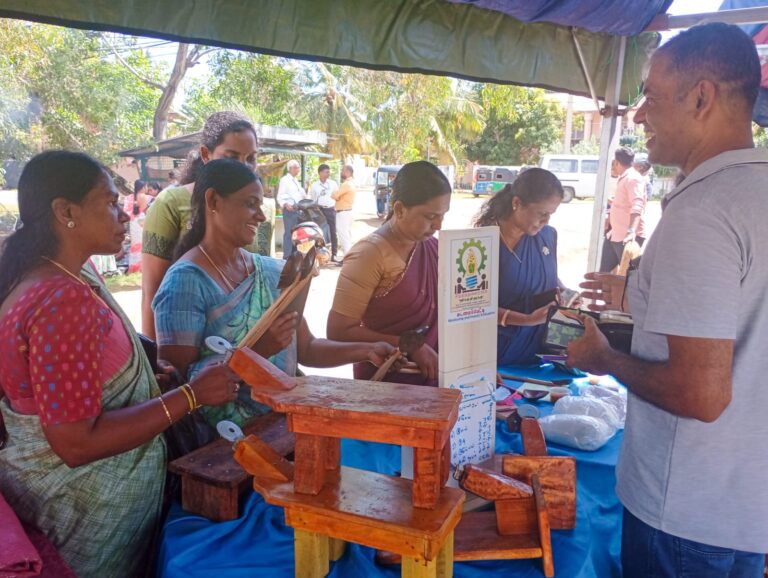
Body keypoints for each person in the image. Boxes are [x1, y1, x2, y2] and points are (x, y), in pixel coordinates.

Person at [569, 23, 768, 577]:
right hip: (747, 506)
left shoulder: (702, 211)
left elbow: (702, 393)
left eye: (651, 97)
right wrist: (643, 297)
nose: (637, 117)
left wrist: (602, 359)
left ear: (701, 98)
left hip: (685, 512)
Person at [0, 151, 239, 578]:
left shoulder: (61, 275)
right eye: (109, 203)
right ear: (65, 211)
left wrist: (145, 362)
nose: (124, 215)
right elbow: (77, 444)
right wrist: (191, 396)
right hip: (81, 513)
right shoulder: (60, 299)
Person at [152, 159, 397, 436]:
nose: (261, 215)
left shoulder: (271, 272)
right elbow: (181, 389)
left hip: (282, 427)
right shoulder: (185, 282)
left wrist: (366, 351)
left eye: (260, 205)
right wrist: (258, 352)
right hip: (222, 446)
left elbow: (306, 348)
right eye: (250, 204)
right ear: (213, 201)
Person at [327, 161, 451, 386]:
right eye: (431, 216)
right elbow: (338, 331)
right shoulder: (369, 255)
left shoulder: (432, 247)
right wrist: (409, 346)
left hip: (434, 376)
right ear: (400, 209)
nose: (439, 226)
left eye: (442, 216)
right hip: (387, 381)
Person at [141, 111, 260, 339]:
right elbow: (152, 291)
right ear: (205, 154)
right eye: (232, 156)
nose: (244, 167)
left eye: (251, 158)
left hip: (254, 345)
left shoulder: (262, 210)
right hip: (189, 345)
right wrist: (156, 362)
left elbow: (260, 281)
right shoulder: (170, 204)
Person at [474, 168, 565, 366]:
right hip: (498, 354)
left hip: (540, 351)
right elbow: (471, 308)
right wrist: (527, 319)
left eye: (551, 214)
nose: (546, 221)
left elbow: (547, 275)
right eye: (542, 213)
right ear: (517, 203)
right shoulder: (481, 245)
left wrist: (566, 295)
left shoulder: (548, 235)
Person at [599, 147, 647, 273]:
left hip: (628, 237)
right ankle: (603, 293)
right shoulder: (624, 178)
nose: (613, 166)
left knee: (626, 278)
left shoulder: (633, 178)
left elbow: (637, 204)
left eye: (613, 163)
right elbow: (623, 204)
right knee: (604, 273)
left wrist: (631, 231)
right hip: (615, 234)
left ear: (616, 162)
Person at [309, 163, 339, 260]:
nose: (328, 174)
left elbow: (337, 196)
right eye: (326, 172)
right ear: (320, 173)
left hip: (330, 209)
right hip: (319, 210)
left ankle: (334, 254)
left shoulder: (333, 184)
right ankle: (320, 253)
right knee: (319, 231)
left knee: (333, 231)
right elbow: (313, 198)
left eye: (329, 172)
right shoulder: (314, 185)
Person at [276, 159, 305, 258]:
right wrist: (285, 204)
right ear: (291, 168)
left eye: (298, 167)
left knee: (296, 234)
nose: (298, 170)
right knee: (289, 233)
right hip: (290, 210)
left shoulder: (296, 180)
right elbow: (280, 195)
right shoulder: (285, 180)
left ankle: (294, 255)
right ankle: (287, 256)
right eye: (296, 167)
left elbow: (301, 194)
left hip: (298, 210)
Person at [332, 164, 356, 258]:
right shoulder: (350, 183)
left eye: (343, 171)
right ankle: (348, 257)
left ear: (348, 172)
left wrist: (335, 195)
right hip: (347, 212)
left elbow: (335, 195)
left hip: (343, 213)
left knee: (344, 236)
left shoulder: (346, 184)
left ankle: (347, 258)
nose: (341, 172)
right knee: (347, 236)